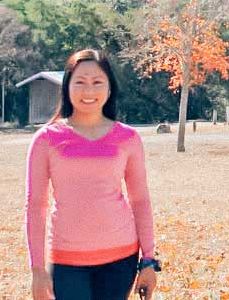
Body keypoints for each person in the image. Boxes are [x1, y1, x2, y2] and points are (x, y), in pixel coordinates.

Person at [26, 49, 161, 300]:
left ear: (109, 88)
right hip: (66, 260)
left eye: (97, 82)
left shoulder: (128, 138)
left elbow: (140, 200)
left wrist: (149, 261)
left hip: (121, 259)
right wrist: (37, 269)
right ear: (67, 87)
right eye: (80, 82)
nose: (89, 91)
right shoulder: (46, 139)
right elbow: (36, 205)